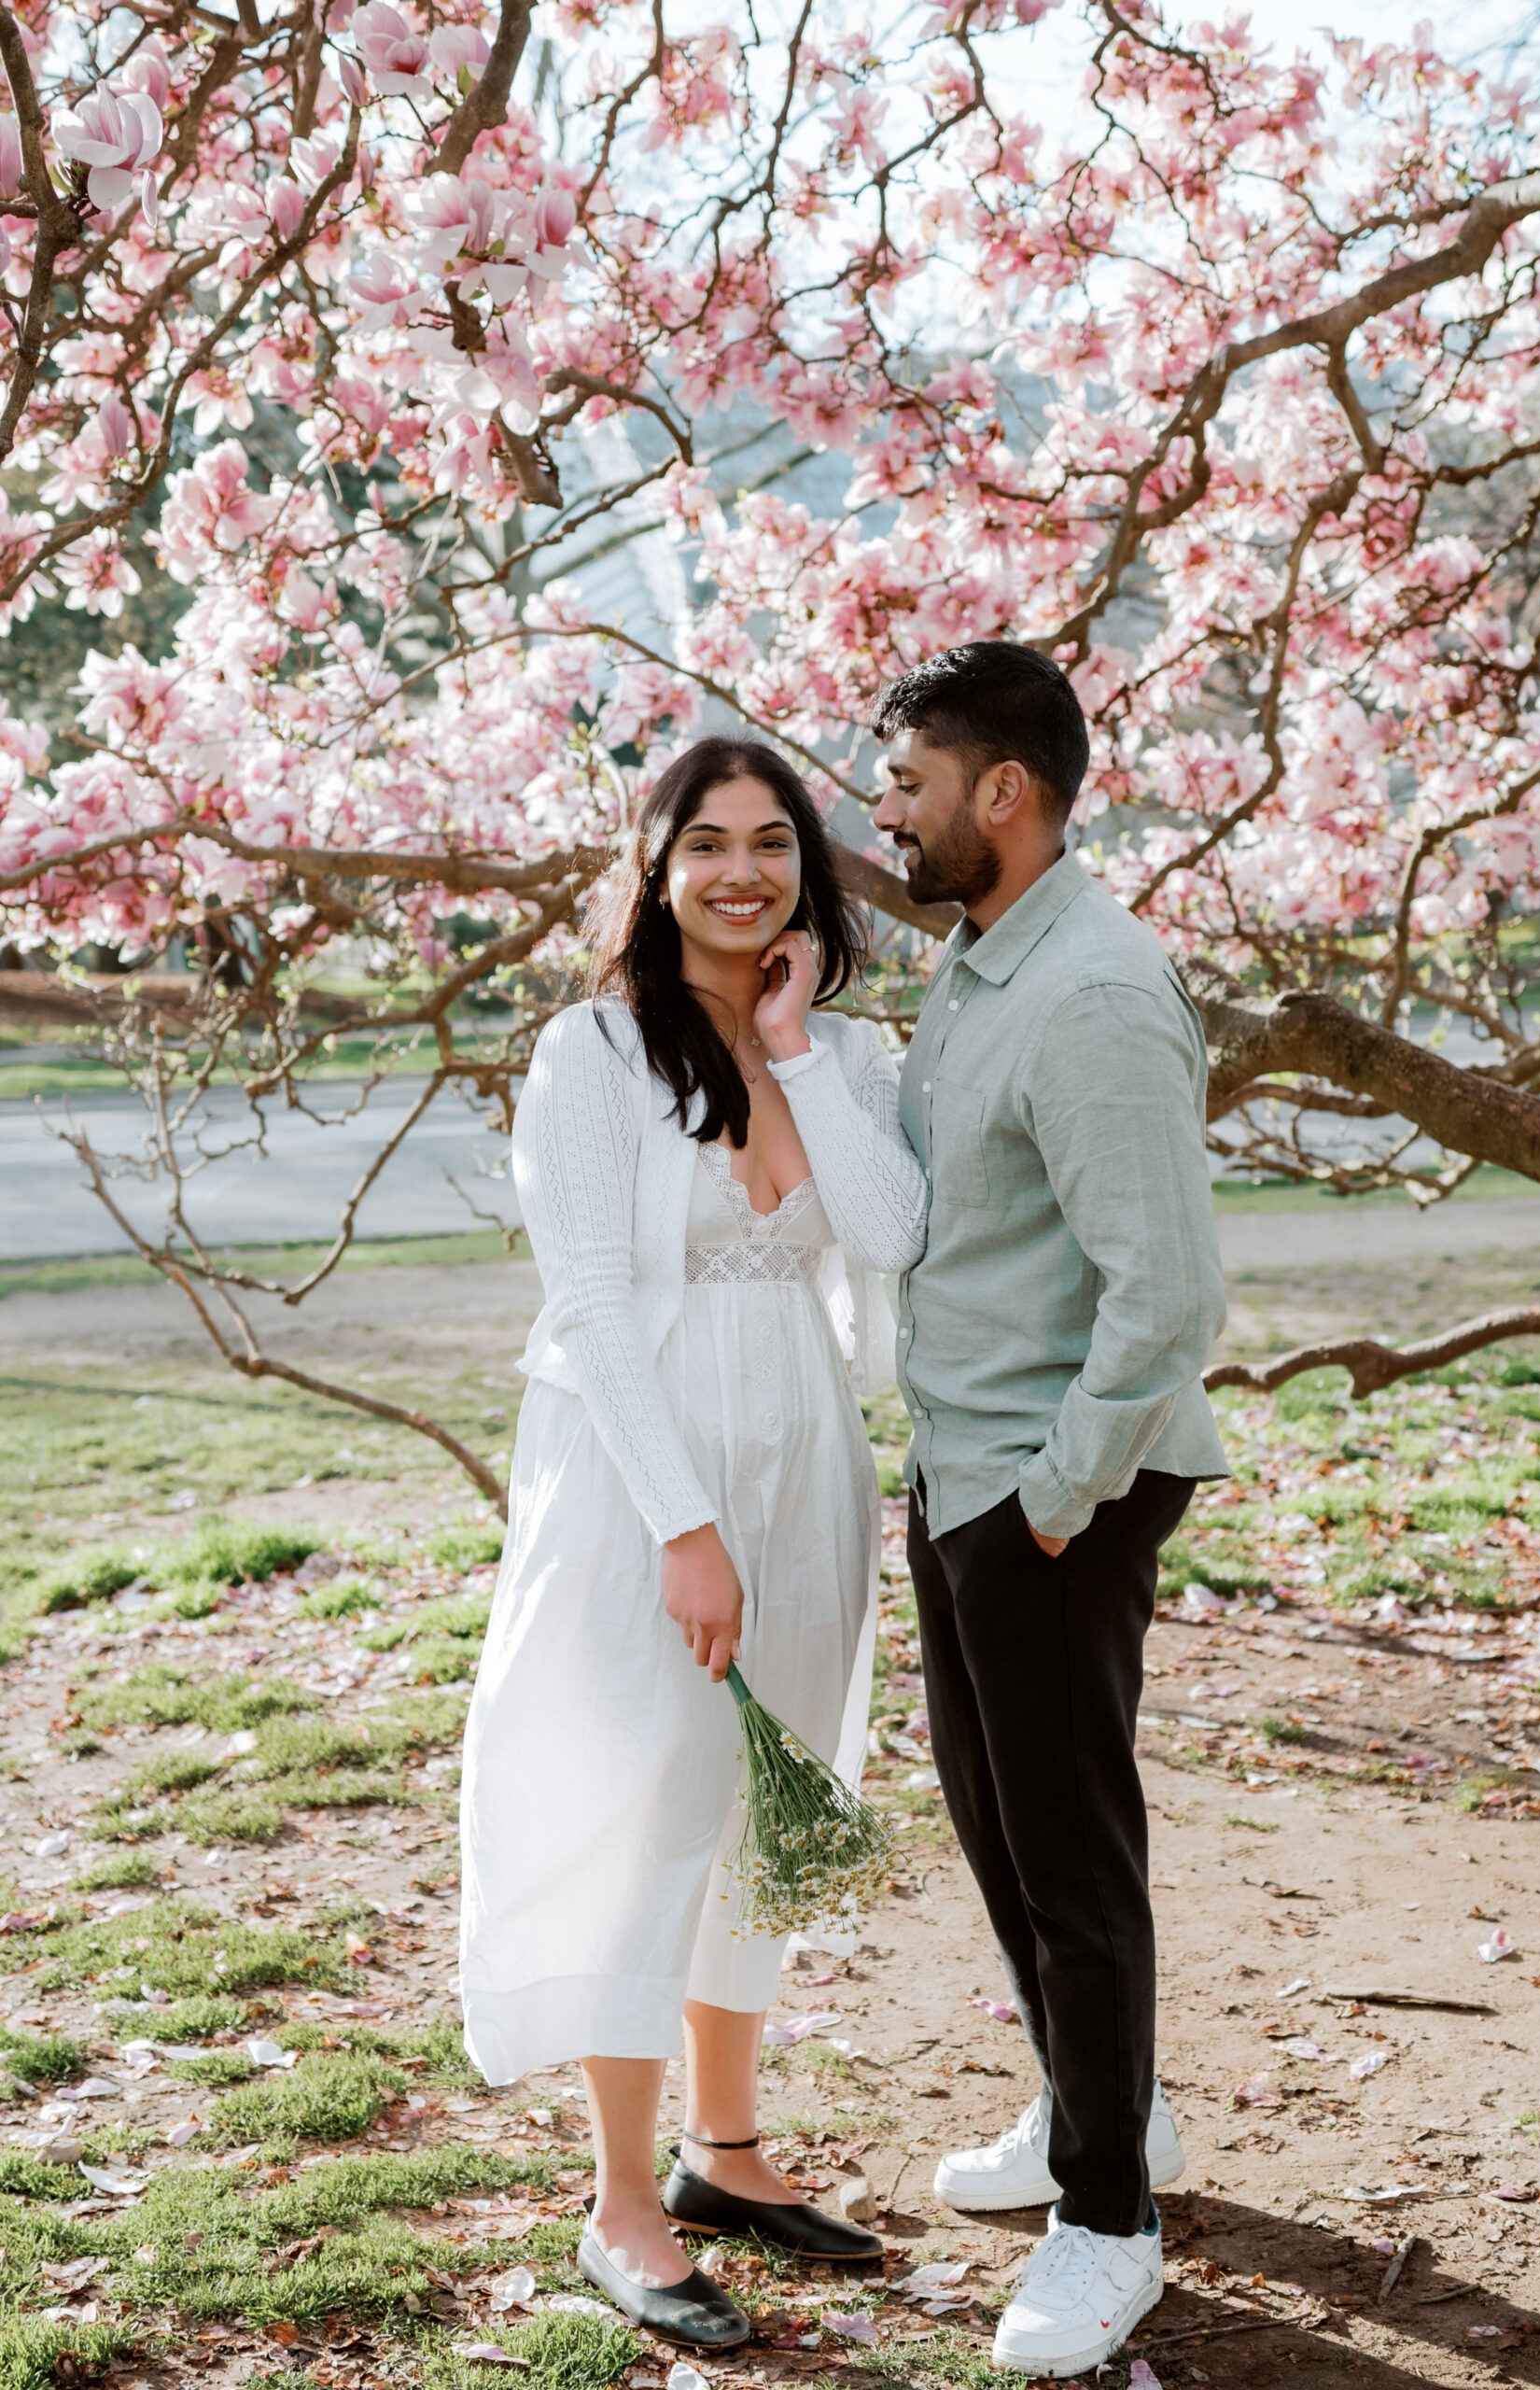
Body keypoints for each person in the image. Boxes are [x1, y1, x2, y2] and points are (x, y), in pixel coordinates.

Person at [458, 737, 927, 2353]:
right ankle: (624, 2200)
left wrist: (792, 1049)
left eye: (773, 842)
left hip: (805, 1446)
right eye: (707, 843)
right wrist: (683, 1527)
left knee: (766, 1799)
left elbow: (887, 1236)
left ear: (810, 865)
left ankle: (728, 2155)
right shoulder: (593, 1051)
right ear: (654, 870)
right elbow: (588, 1303)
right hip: (641, 1465)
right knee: (650, 1795)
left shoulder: (848, 1057)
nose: (743, 871)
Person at [871, 643, 1230, 2378]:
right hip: (970, 1469)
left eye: (912, 781)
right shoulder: (977, 964)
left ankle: (1106, 2222)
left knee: (1070, 1857)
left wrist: (1060, 1496)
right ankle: (1108, 2108)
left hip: (1051, 1486)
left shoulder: (1088, 991)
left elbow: (1164, 1293)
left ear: (1002, 793)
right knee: (1003, 1835)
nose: (887, 809)